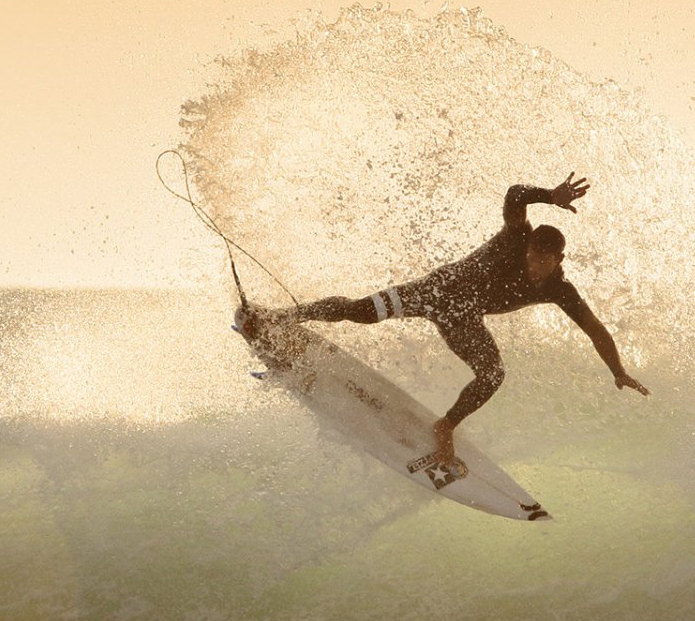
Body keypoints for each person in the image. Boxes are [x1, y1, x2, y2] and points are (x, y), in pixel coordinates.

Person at [243, 172, 647, 469]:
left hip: (464, 319)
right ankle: (280, 316)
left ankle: (446, 426)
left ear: (558, 260)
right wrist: (549, 196)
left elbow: (595, 330)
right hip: (438, 290)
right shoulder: (515, 238)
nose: (534, 267)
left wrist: (618, 370)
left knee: (492, 374)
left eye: (543, 262)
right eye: (532, 259)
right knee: (362, 312)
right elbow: (514, 193)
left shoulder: (560, 290)